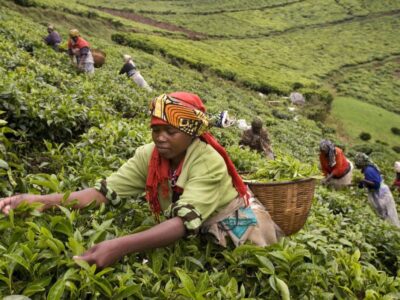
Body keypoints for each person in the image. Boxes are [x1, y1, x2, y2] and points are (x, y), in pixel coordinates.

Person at [0, 92, 280, 268]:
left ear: (192, 133)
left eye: (171, 131)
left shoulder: (208, 161)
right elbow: (101, 193)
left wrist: (119, 245)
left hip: (233, 222)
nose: (160, 137)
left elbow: (183, 224)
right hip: (196, 218)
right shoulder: (150, 155)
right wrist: (39, 200)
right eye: (156, 129)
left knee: (247, 266)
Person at [355, 153, 400, 227]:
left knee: (388, 214)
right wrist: (360, 183)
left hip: (381, 194)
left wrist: (363, 180)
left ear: (361, 162)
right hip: (377, 194)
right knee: (382, 214)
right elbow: (365, 183)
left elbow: (376, 184)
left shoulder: (369, 170)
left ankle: (395, 230)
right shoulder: (365, 169)